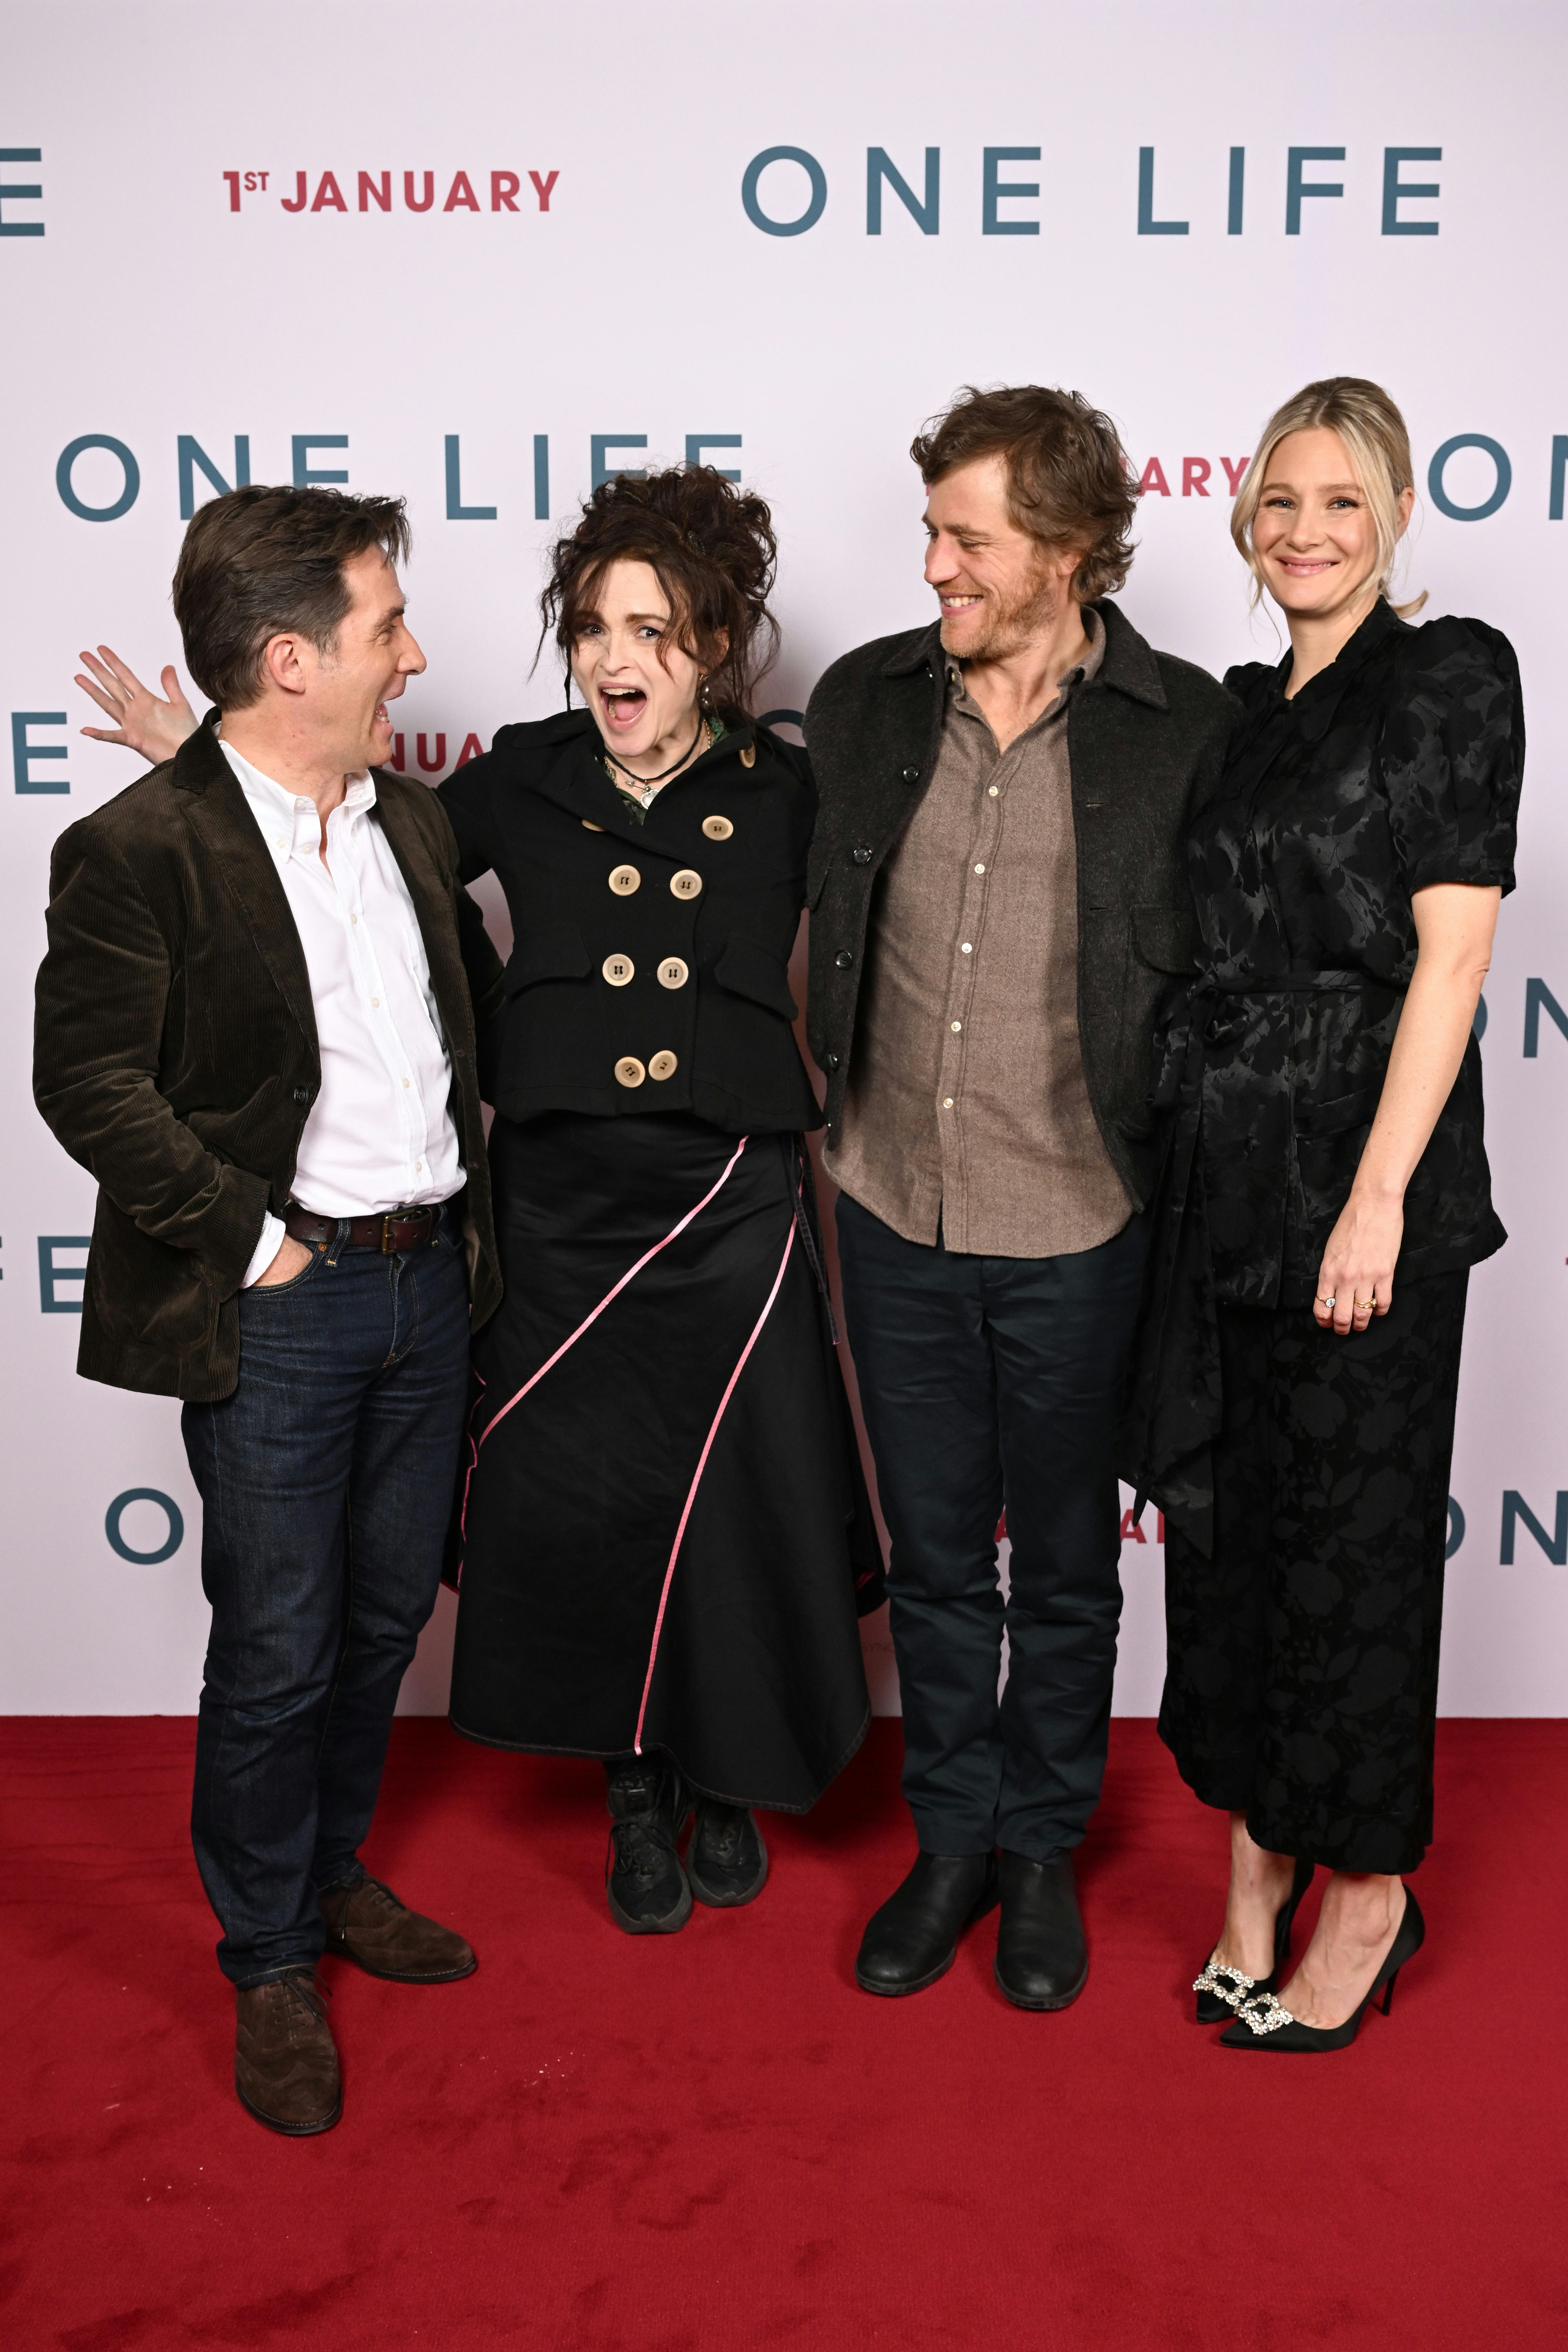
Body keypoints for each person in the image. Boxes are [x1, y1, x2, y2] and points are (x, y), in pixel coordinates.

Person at [36, 486, 504, 2136]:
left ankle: (327, 1872)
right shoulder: (137, 847)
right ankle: (268, 1954)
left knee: (385, 1620)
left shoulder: (405, 821)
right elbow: (85, 1079)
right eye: (389, 628)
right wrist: (256, 1247)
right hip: (285, 1299)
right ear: (290, 658)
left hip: (427, 1282)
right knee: (282, 1642)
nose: (417, 656)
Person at [804, 386, 1237, 2009]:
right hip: (888, 1204)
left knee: (1060, 1563)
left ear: (1064, 553)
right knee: (930, 1561)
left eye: (965, 538)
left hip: (1076, 1220)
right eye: (931, 533)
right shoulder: (860, 703)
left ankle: (1043, 1843)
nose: (933, 567)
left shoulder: (1181, 729)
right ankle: (952, 1837)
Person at [1123, 378, 1523, 2051]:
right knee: (1235, 1541)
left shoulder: (1449, 674)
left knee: (1351, 1545)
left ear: (1399, 513)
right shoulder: (1237, 711)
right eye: (1280, 496)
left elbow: (1455, 954)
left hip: (1366, 1182)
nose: (1305, 527)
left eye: (1343, 499)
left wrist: (1376, 1197)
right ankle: (1255, 1854)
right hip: (1221, 1178)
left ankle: (1368, 1881)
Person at [437, 465, 881, 1934]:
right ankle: (629, 1781)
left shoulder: (791, 791)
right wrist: (507, 1024)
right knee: (591, 1504)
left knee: (738, 1504)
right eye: (592, 626)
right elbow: (375, 879)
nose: (617, 659)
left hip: (728, 1202)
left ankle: (725, 1769)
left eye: (655, 628)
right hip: (562, 1202)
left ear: (716, 642)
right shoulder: (523, 771)